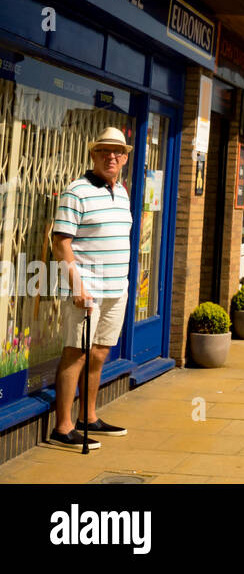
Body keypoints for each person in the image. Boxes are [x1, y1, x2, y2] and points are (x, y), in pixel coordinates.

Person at [48, 127, 134, 450]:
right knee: (76, 353)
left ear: (124, 158)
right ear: (93, 155)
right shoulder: (77, 191)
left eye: (117, 152)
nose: (111, 156)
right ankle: (63, 426)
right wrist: (77, 285)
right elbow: (61, 243)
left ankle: (88, 416)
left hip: (116, 289)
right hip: (87, 291)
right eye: (104, 151)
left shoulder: (122, 191)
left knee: (99, 353)